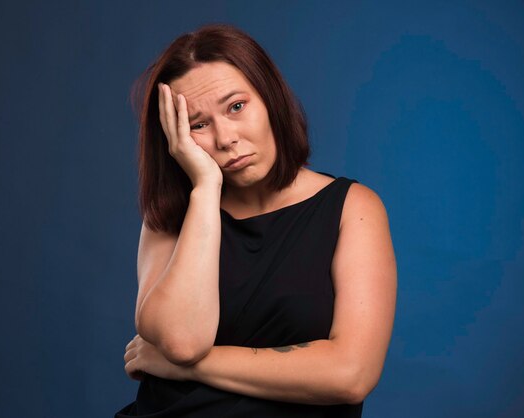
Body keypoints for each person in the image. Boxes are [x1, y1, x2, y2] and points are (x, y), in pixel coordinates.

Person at [115, 23, 397, 418]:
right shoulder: (171, 216)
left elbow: (350, 374)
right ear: (175, 137)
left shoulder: (353, 208)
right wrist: (206, 188)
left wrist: (186, 367)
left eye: (236, 107)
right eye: (198, 124)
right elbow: (182, 341)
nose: (225, 138)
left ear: (270, 99)